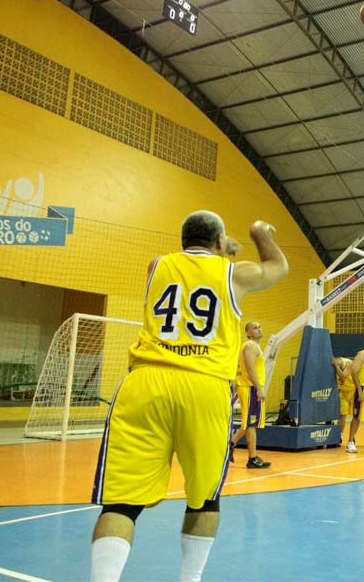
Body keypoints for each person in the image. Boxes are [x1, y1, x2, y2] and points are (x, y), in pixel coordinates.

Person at [89, 212, 288, 582]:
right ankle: (190, 579)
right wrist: (259, 233)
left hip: (145, 384)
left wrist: (219, 246)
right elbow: (278, 266)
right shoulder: (235, 273)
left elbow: (191, 265)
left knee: (119, 504)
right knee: (205, 497)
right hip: (204, 385)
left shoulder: (157, 266)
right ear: (218, 242)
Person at [229, 322, 271, 469]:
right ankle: (252, 458)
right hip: (250, 387)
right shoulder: (250, 346)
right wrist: (258, 388)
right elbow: (250, 368)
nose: (259, 329)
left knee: (248, 423)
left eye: (260, 326)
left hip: (249, 387)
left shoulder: (252, 346)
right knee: (251, 424)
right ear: (248, 333)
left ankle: (230, 444)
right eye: (255, 327)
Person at [331, 356, 356, 442]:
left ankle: (353, 436)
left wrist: (336, 366)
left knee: (356, 416)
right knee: (342, 415)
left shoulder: (348, 363)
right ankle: (339, 436)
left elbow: (343, 376)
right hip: (343, 392)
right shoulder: (335, 367)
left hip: (353, 391)